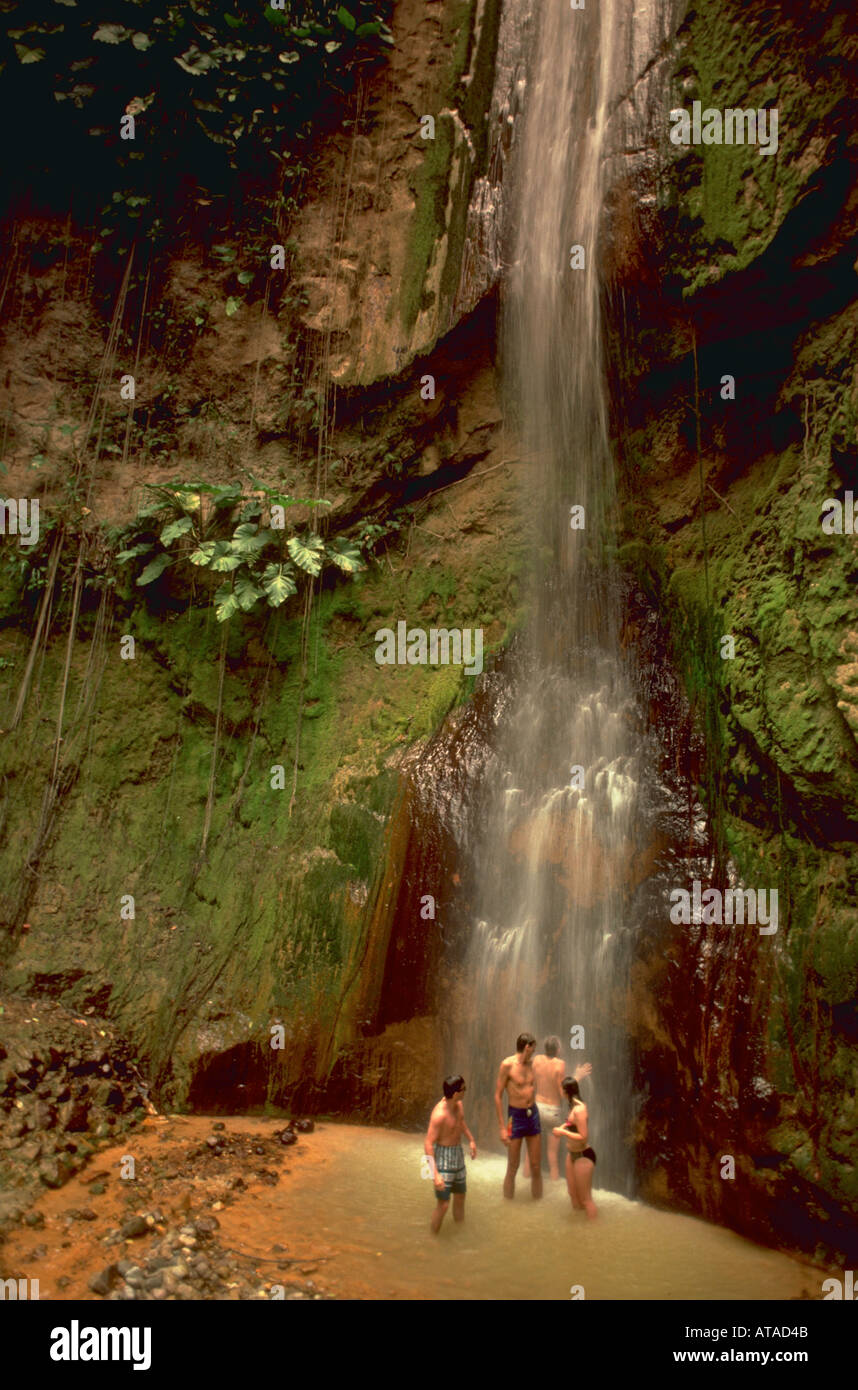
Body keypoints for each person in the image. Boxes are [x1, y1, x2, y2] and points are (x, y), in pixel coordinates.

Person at [528, 1040, 592, 1180]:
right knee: (552, 1155)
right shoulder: (560, 1064)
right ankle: (554, 1186)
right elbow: (562, 1091)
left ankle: (525, 1178)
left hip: (537, 1107)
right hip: (552, 1111)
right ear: (557, 1050)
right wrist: (577, 1076)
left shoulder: (537, 1060)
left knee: (530, 1152)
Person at [424, 1075, 477, 1233]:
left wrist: (471, 1140)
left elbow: (460, 1123)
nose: (465, 1092)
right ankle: (433, 1238)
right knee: (444, 1204)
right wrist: (435, 1175)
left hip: (457, 1155)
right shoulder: (439, 1115)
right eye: (463, 1089)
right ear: (455, 1094)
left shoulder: (458, 1105)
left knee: (460, 1197)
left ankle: (460, 1235)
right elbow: (427, 1144)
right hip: (443, 1158)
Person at [495, 1032, 543, 1199]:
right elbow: (497, 1096)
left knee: (536, 1166)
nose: (534, 1052)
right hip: (514, 1117)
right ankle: (507, 1208)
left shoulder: (532, 1065)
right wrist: (502, 1128)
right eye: (533, 1049)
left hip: (533, 1115)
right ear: (527, 1047)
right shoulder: (507, 1065)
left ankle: (538, 1204)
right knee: (513, 1166)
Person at [553, 1075, 597, 1220]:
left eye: (562, 1089)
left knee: (586, 1200)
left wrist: (563, 1132)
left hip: (583, 1155)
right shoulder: (572, 1105)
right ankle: (579, 1235)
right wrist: (563, 1126)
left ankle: (594, 1235)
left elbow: (584, 1136)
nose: (560, 1092)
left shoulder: (579, 1109)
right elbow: (572, 1124)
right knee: (573, 1196)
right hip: (572, 1154)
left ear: (567, 1091)